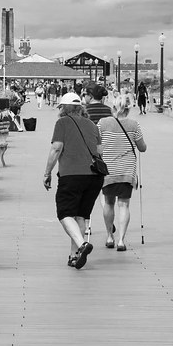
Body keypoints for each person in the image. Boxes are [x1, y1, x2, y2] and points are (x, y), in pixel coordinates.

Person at [42, 92, 104, 269]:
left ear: (64, 108)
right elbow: (100, 151)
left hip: (72, 175)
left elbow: (56, 148)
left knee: (64, 213)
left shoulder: (62, 123)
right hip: (94, 177)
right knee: (81, 215)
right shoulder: (92, 125)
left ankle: (82, 244)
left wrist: (47, 173)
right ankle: (74, 256)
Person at [97, 105, 147, 251]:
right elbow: (142, 147)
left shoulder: (103, 123)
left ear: (113, 108)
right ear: (128, 109)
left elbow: (97, 144)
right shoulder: (134, 124)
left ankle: (109, 236)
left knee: (108, 203)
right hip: (126, 169)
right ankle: (121, 241)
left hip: (108, 169)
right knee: (124, 205)